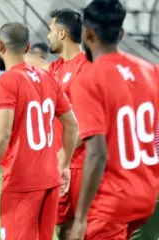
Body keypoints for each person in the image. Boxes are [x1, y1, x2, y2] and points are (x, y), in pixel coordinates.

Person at [0, 22, 79, 240]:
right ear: (28, 47)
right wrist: (64, 164)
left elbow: (2, 135)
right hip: (50, 178)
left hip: (22, 182)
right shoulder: (47, 78)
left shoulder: (6, 83)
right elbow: (72, 124)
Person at [68, 0, 159, 239]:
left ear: (87, 34)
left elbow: (97, 153)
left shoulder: (89, 79)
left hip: (112, 199)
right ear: (121, 33)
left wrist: (80, 217)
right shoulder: (151, 71)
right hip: (147, 193)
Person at [23, 8, 88, 239]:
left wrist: (63, 160)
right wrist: (9, 47)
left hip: (79, 165)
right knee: (61, 229)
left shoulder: (85, 68)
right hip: (60, 164)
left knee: (81, 228)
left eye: (50, 30)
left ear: (61, 33)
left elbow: (85, 124)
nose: (48, 36)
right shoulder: (58, 67)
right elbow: (38, 64)